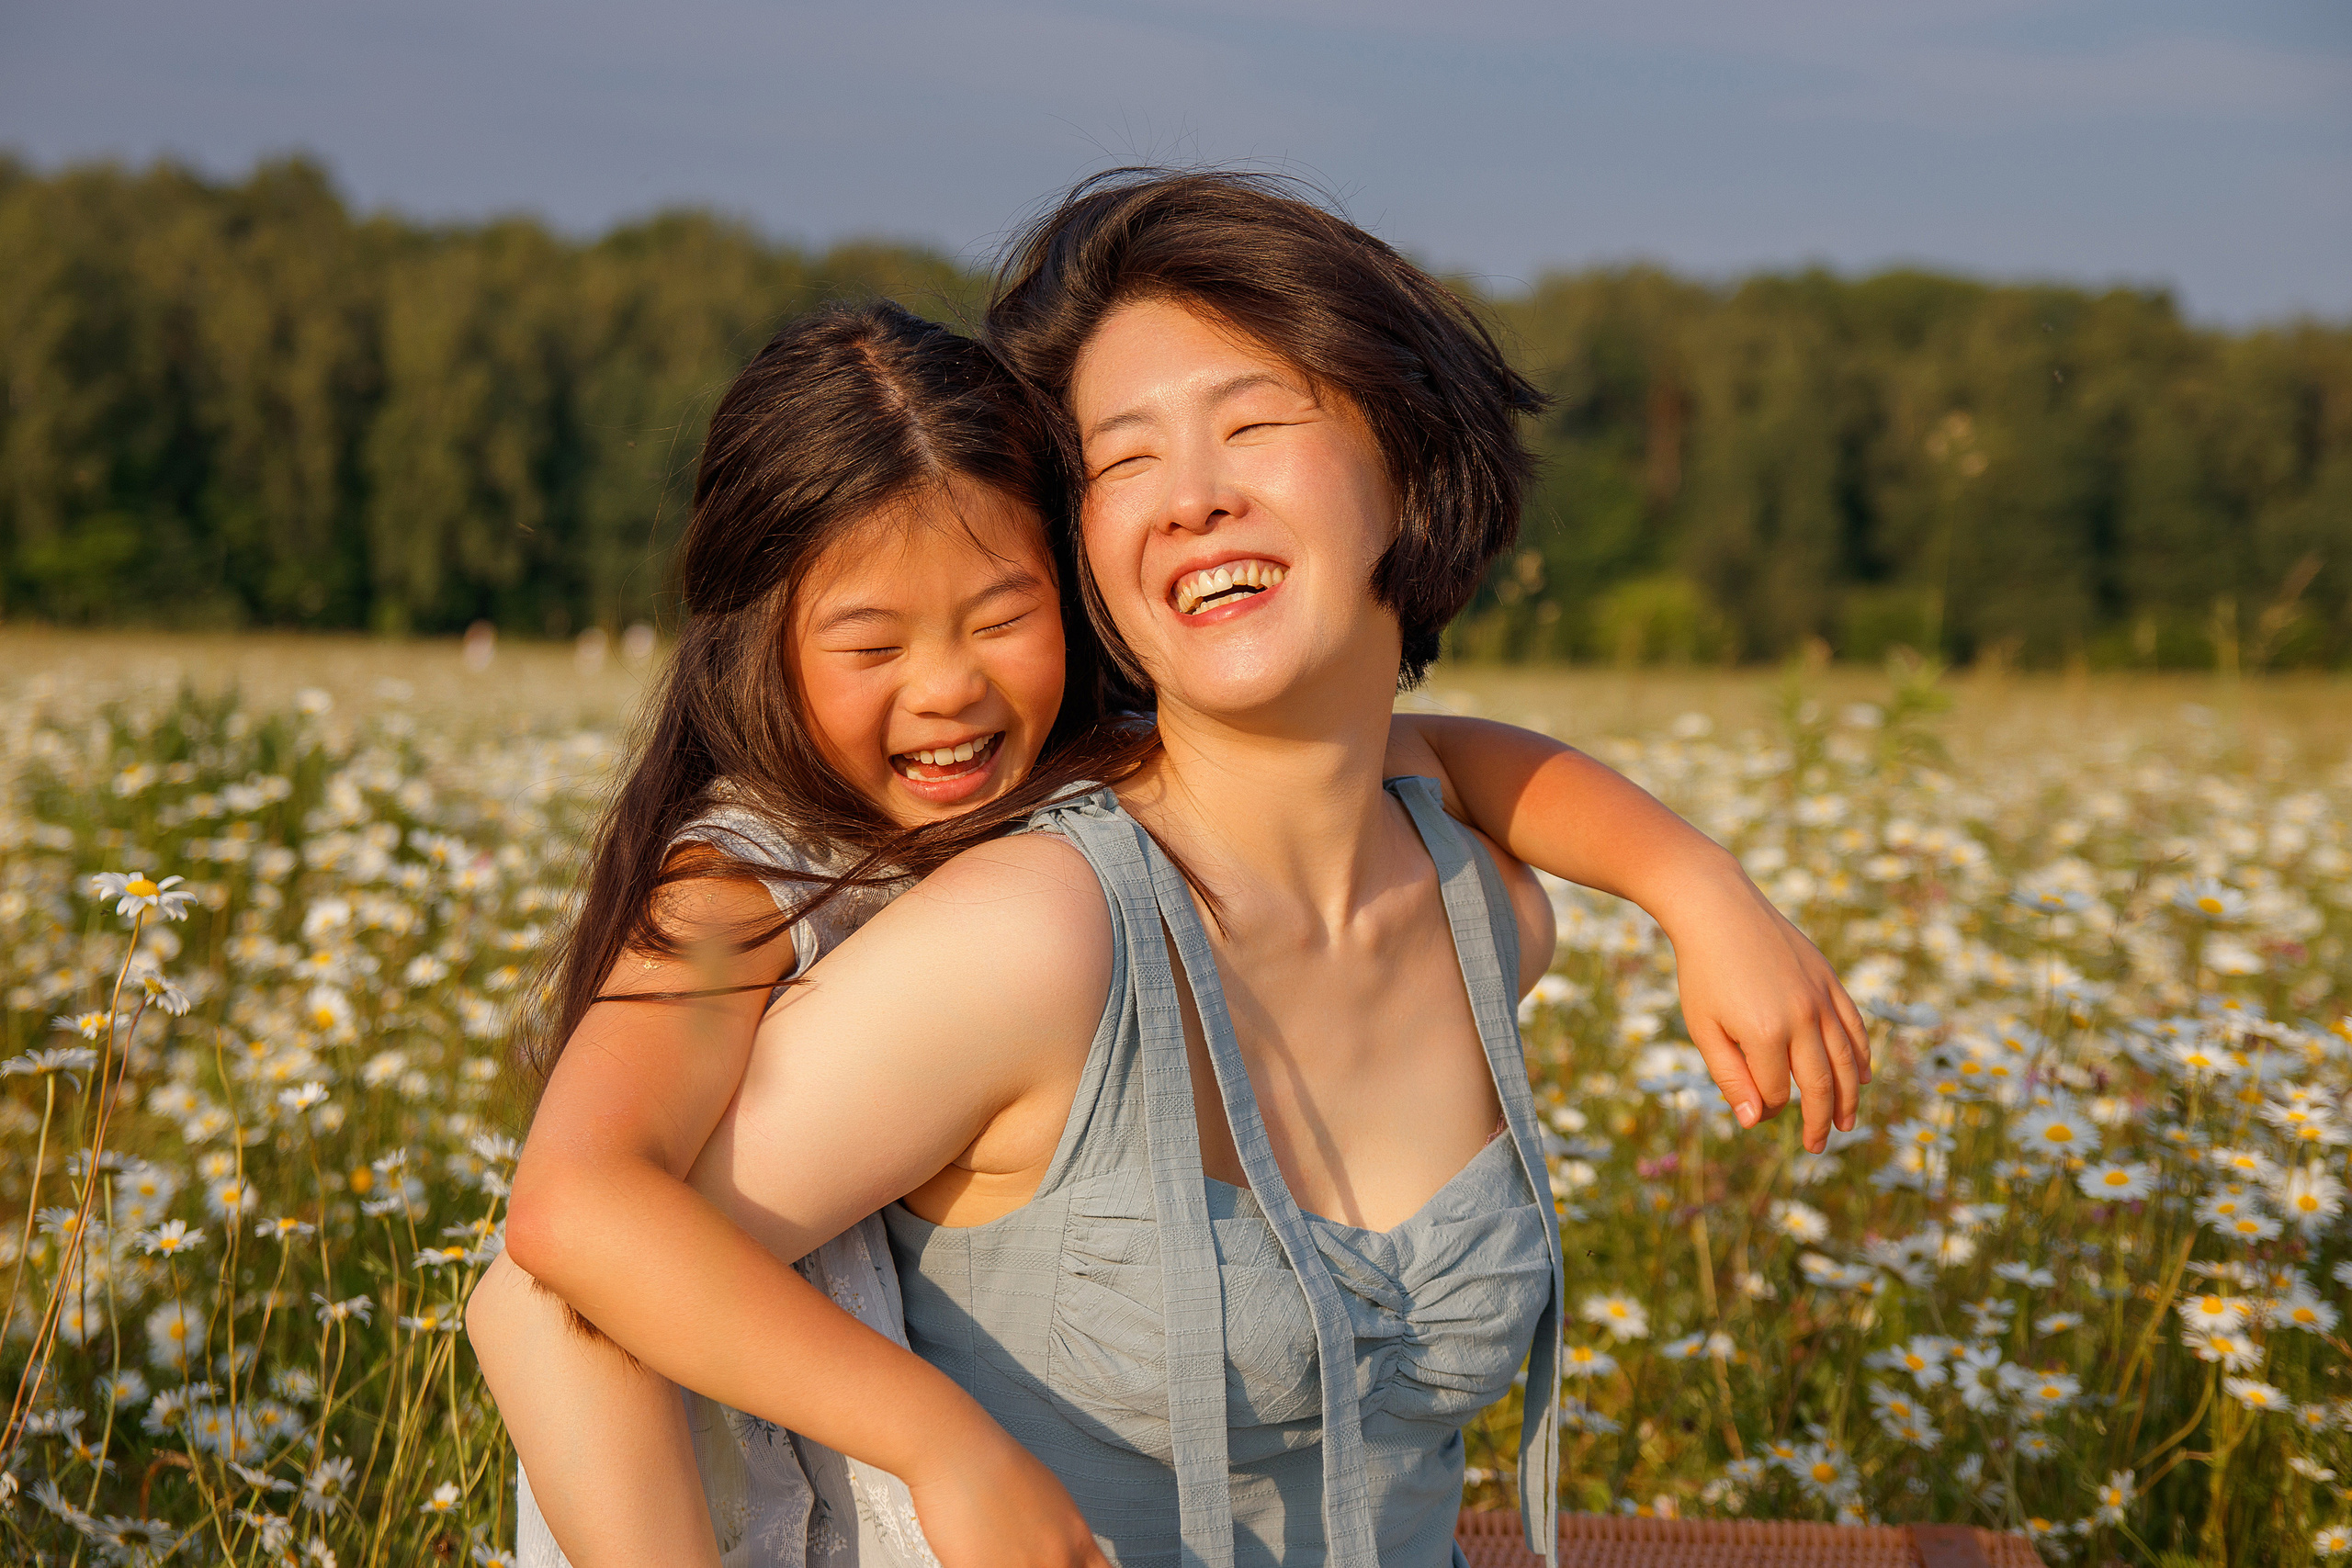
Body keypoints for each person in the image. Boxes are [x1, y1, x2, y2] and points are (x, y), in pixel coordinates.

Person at [473, 174, 1869, 1568]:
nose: (1195, 497)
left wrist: (1697, 887)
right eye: (1127, 459)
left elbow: (1431, 755)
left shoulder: (1482, 908)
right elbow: (558, 1282)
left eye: (1254, 423)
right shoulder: (965, 930)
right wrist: (943, 1445)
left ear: (1409, 458)